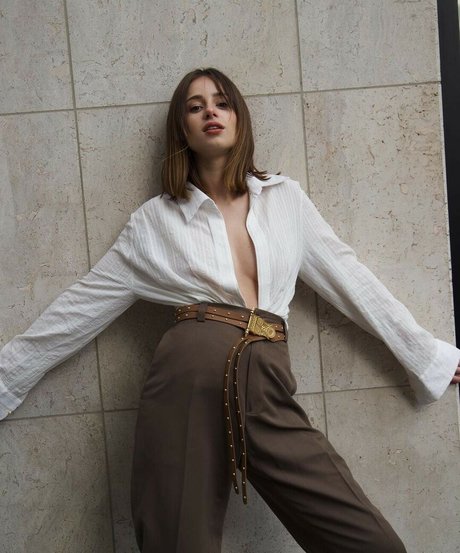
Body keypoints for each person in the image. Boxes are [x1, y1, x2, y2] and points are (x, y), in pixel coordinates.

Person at [1, 67, 459, 553]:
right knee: (179, 541)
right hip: (185, 379)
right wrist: (6, 378)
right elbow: (80, 306)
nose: (210, 112)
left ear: (239, 117)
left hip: (265, 377)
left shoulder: (284, 199)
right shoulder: (156, 220)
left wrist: (424, 354)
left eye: (221, 102)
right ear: (182, 129)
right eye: (195, 107)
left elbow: (349, 277)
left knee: (371, 543)